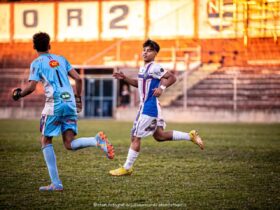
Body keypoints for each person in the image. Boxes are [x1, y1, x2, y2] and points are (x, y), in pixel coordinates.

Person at [12, 32, 114, 191]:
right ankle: (96, 141)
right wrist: (78, 99)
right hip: (70, 102)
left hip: (55, 104)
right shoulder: (61, 59)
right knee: (69, 143)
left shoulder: (37, 63)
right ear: (49, 45)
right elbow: (79, 79)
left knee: (46, 141)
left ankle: (56, 184)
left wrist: (18, 95)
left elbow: (31, 87)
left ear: (34, 47)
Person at [109, 39, 204, 176]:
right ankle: (190, 136)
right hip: (153, 107)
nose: (145, 53)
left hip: (148, 107)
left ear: (155, 53)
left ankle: (127, 167)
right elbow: (138, 83)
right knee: (159, 136)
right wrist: (125, 78)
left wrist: (162, 87)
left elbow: (171, 77)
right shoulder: (144, 68)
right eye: (144, 50)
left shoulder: (154, 67)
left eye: (149, 50)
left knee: (135, 137)